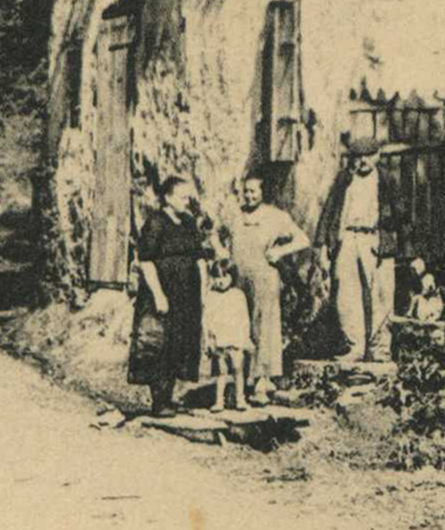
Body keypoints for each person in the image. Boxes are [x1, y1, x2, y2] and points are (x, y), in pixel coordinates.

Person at [129, 174, 207, 415]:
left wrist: (203, 292)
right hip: (163, 293)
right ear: (168, 197)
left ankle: (170, 396)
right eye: (183, 196)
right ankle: (159, 401)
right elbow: (146, 261)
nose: (187, 201)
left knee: (179, 342)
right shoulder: (155, 222)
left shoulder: (188, 222)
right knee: (159, 344)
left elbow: (199, 257)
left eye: (188, 196)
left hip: (187, 294)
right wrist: (159, 295)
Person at [229, 174, 310, 404]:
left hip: (265, 278)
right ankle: (240, 382)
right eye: (246, 191)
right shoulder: (235, 216)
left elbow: (303, 239)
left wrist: (280, 252)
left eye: (254, 191)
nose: (249, 195)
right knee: (241, 329)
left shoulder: (276, 216)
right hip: (239, 281)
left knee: (264, 329)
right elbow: (216, 235)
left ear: (263, 193)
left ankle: (262, 383)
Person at [326, 144, 395, 361]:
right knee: (345, 294)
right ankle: (354, 347)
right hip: (348, 238)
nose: (363, 161)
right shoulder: (345, 179)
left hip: (374, 239)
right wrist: (322, 244)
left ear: (377, 156)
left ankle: (380, 349)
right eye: (359, 156)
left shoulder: (385, 180)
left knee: (382, 295)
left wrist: (392, 239)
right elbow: (330, 210)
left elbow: (401, 212)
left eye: (368, 155)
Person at [202, 236, 253, 411]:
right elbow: (206, 319)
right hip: (219, 340)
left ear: (232, 277)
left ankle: (240, 398)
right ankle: (219, 401)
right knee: (221, 372)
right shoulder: (211, 296)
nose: (220, 281)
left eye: (224, 277)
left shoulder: (238, 296)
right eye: (216, 277)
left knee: (238, 369)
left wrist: (246, 338)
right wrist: (208, 340)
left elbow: (244, 319)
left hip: (236, 339)